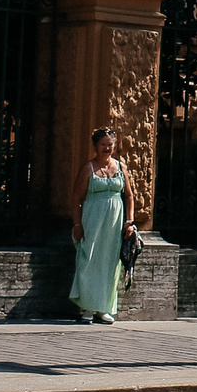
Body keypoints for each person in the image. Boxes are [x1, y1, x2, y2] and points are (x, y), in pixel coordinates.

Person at [67, 127, 139, 325]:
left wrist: (129, 221)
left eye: (110, 145)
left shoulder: (121, 167)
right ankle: (87, 306)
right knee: (88, 259)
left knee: (109, 263)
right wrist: (77, 223)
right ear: (95, 146)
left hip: (114, 223)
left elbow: (129, 195)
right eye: (103, 145)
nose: (107, 149)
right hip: (92, 219)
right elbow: (77, 197)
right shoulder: (88, 168)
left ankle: (104, 307)